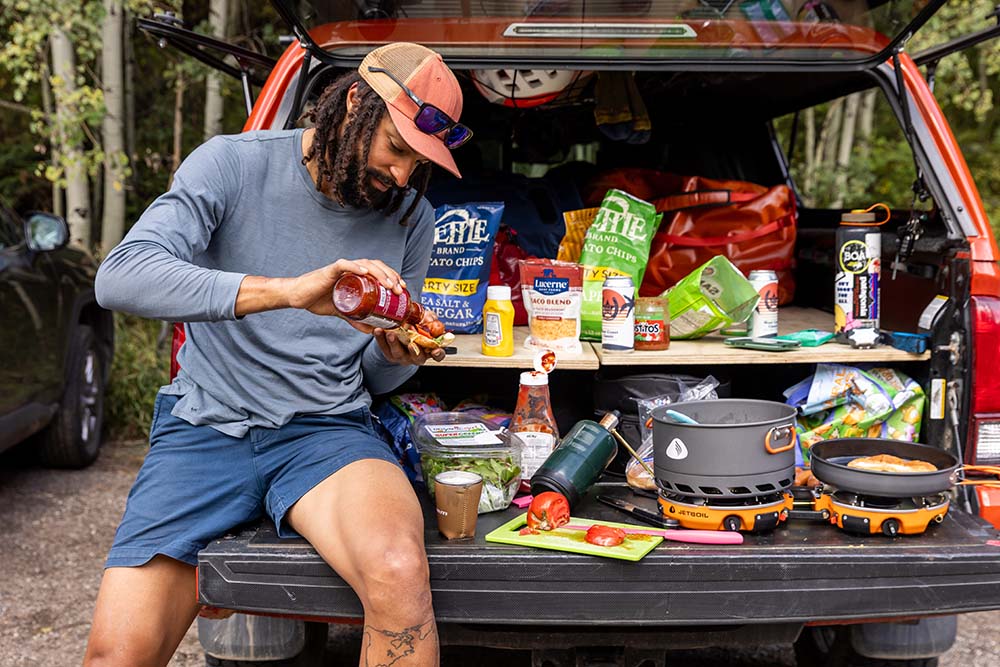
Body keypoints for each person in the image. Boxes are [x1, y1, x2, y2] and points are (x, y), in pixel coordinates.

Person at [83, 42, 471, 667]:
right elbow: (121, 277)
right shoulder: (232, 165)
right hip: (205, 428)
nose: (401, 177)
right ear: (354, 103)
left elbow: (376, 378)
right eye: (397, 149)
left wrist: (399, 353)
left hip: (328, 436)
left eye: (418, 163)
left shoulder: (411, 216)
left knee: (399, 573)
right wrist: (291, 292)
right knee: (117, 655)